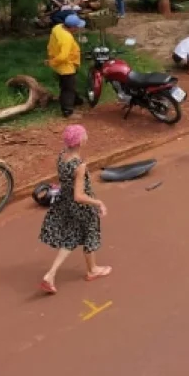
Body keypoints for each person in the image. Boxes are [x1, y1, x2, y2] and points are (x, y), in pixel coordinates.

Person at [39, 125, 110, 293]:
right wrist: (97, 202)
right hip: (80, 206)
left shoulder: (62, 156)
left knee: (71, 237)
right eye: (84, 136)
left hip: (66, 202)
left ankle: (50, 274)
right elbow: (79, 195)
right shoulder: (79, 165)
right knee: (90, 233)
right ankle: (92, 270)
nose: (86, 137)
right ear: (80, 142)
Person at [45, 14, 85, 117]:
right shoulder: (67, 38)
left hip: (60, 63)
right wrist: (51, 62)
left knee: (69, 84)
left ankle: (76, 101)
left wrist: (51, 58)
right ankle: (67, 111)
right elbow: (63, 57)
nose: (78, 29)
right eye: (77, 27)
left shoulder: (57, 28)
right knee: (68, 88)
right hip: (66, 66)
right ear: (72, 27)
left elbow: (51, 44)